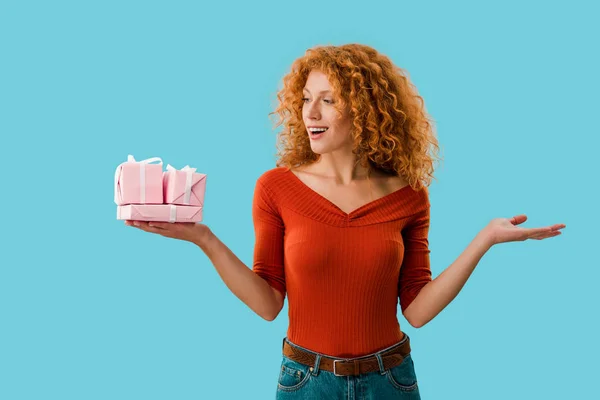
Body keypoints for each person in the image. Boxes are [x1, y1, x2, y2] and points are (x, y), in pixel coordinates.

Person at [125, 43, 566, 399]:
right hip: (305, 380)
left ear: (365, 110)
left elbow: (417, 310)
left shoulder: (409, 197)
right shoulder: (275, 188)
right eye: (305, 100)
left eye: (328, 101)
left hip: (390, 380)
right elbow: (267, 304)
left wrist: (484, 239)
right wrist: (204, 238)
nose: (310, 113)